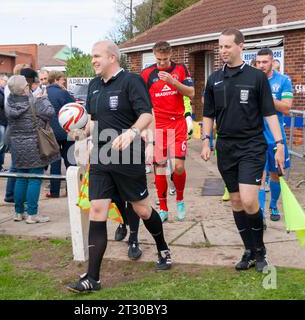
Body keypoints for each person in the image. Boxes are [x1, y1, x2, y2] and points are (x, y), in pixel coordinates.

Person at [66, 40, 172, 293]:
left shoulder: (131, 82)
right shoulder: (93, 86)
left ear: (112, 57)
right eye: (92, 56)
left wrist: (133, 132)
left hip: (127, 157)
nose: (93, 60)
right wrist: (81, 132)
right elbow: (93, 121)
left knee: (143, 210)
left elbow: (146, 114)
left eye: (96, 56)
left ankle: (163, 249)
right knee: (97, 211)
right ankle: (92, 278)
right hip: (101, 157)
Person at [201, 29, 285, 272]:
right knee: (236, 201)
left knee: (249, 200)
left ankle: (260, 252)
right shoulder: (214, 78)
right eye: (220, 47)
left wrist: (279, 144)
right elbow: (208, 114)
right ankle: (248, 250)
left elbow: (269, 113)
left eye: (227, 46)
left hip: (252, 145)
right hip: (225, 146)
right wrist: (206, 140)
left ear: (241, 46)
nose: (223, 51)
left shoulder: (256, 77)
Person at [141, 41, 195, 222]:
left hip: (177, 124)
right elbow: (142, 103)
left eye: (165, 59)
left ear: (171, 54)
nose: (162, 62)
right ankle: (163, 207)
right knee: (161, 167)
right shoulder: (147, 74)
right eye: (158, 59)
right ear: (154, 55)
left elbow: (191, 93)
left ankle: (180, 199)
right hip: (159, 125)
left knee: (178, 166)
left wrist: (173, 82)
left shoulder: (180, 69)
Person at [5, 75, 60, 223]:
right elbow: (50, 113)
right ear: (24, 88)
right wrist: (43, 98)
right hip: (35, 145)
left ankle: (18, 212)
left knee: (21, 178)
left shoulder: (9, 103)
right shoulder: (34, 102)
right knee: (35, 179)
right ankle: (32, 214)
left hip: (17, 146)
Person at [255, 48, 293, 222]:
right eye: (258, 62)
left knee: (276, 174)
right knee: (260, 176)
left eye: (265, 62)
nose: (261, 65)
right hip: (256, 136)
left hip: (276, 136)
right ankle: (261, 213)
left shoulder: (283, 80)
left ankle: (273, 205)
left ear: (272, 62)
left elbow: (286, 107)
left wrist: (266, 96)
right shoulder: (252, 81)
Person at [45, 70, 76, 198]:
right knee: (70, 161)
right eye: (63, 79)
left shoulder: (44, 93)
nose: (64, 82)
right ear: (56, 80)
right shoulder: (63, 93)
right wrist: (66, 91)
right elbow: (74, 107)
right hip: (66, 131)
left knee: (55, 162)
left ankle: (54, 191)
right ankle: (72, 190)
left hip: (51, 133)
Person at [4, 64, 30, 203]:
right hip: (21, 134)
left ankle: (10, 195)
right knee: (19, 169)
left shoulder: (9, 92)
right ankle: (15, 198)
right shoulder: (22, 96)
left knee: (15, 167)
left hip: (12, 132)